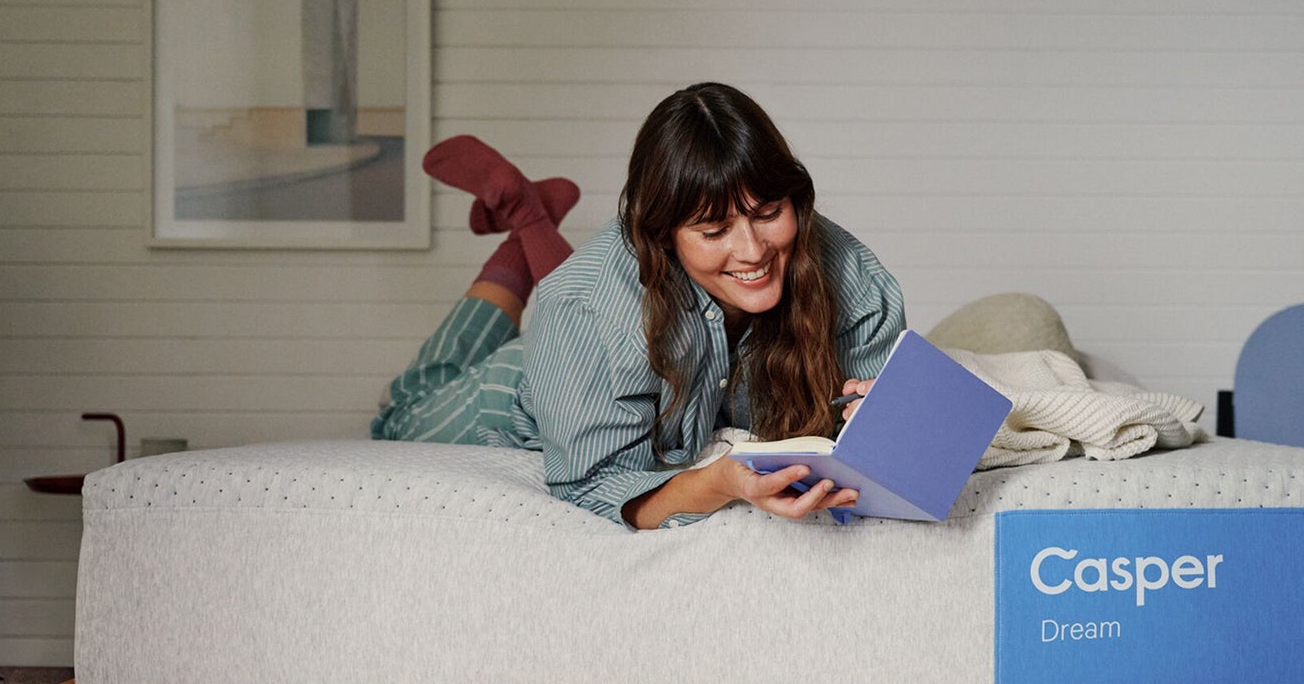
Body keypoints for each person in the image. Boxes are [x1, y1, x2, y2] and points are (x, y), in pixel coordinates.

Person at [373, 82, 906, 529]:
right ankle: (526, 224)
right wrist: (714, 484)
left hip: (595, 325)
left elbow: (885, 437)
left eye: (768, 212)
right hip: (522, 388)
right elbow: (595, 485)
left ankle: (529, 230)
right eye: (715, 229)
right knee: (401, 411)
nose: (753, 251)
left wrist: (880, 420)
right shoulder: (583, 307)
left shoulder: (851, 276)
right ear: (662, 237)